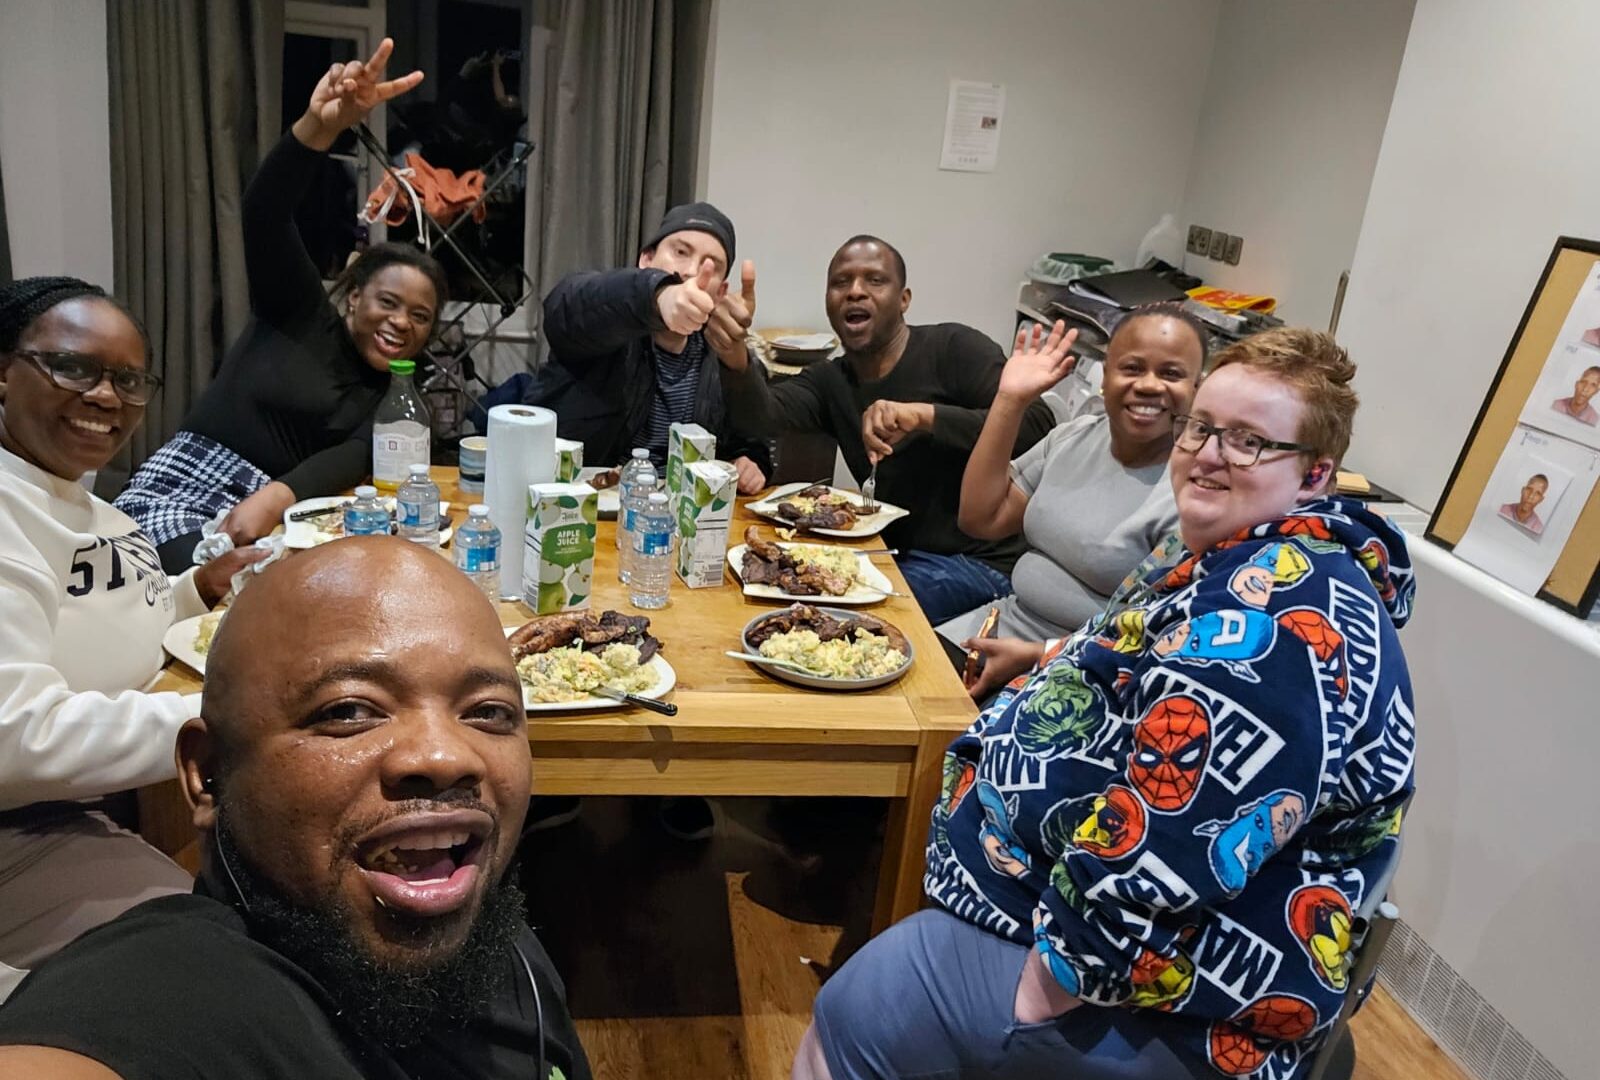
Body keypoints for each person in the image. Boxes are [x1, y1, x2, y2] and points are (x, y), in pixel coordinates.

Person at [794, 328, 1417, 1079]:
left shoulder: (1275, 625)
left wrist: (1045, 989)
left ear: (1316, 474)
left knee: (854, 1010)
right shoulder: (1229, 549)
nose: (1211, 453)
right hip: (1060, 899)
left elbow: (1172, 838)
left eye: (1251, 442)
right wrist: (1044, 659)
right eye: (1205, 428)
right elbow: (1134, 645)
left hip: (1157, 988)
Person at [0, 537, 591, 1079]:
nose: (445, 756)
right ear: (207, 774)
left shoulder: (498, 934)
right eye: (348, 712)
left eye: (487, 712)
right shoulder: (176, 995)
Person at [0, 276, 265, 1000]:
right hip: (24, 829)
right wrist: (234, 719)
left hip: (93, 804)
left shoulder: (73, 498)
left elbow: (104, 611)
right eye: (73, 368)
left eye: (127, 379)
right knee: (226, 967)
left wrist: (194, 589)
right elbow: (14, 738)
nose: (106, 397)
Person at [115, 39, 446, 574]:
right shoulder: (299, 310)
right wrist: (322, 127)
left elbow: (356, 457)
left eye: (420, 316)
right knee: (209, 601)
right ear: (355, 294)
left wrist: (275, 497)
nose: (401, 322)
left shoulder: (396, 398)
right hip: (183, 490)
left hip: (275, 519)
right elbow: (265, 212)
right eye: (388, 302)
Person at [718, 235, 1054, 623]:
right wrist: (735, 355)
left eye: (875, 281)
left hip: (980, 562)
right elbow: (761, 417)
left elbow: (1040, 426)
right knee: (772, 591)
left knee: (833, 624)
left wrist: (925, 416)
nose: (855, 292)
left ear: (904, 298)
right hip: (890, 554)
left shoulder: (954, 348)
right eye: (840, 282)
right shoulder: (831, 380)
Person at [947, 302, 1206, 653]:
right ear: (1106, 375)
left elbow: (1152, 640)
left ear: (1197, 387)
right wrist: (1010, 400)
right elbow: (982, 518)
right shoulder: (1076, 435)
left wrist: (1038, 656)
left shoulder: (1194, 492)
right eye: (1131, 368)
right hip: (997, 623)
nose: (1148, 385)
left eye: (1171, 374)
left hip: (1075, 670)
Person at [528, 201, 772, 492]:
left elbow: (755, 439)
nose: (692, 271)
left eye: (712, 265)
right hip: (581, 506)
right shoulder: (606, 320)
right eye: (681, 252)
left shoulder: (721, 353)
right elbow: (563, 307)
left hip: (680, 517)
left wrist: (752, 463)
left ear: (720, 291)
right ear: (646, 260)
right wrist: (657, 297)